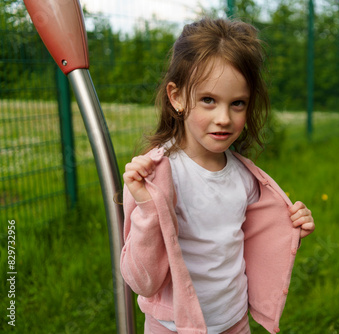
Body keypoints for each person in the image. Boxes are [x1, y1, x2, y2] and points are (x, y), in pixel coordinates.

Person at [120, 18, 315, 334]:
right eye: (208, 100)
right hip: (173, 327)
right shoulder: (152, 178)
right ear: (177, 97)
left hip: (234, 323)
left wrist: (289, 228)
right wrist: (148, 211)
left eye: (237, 103)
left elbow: (252, 240)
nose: (224, 118)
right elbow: (141, 281)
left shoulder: (244, 178)